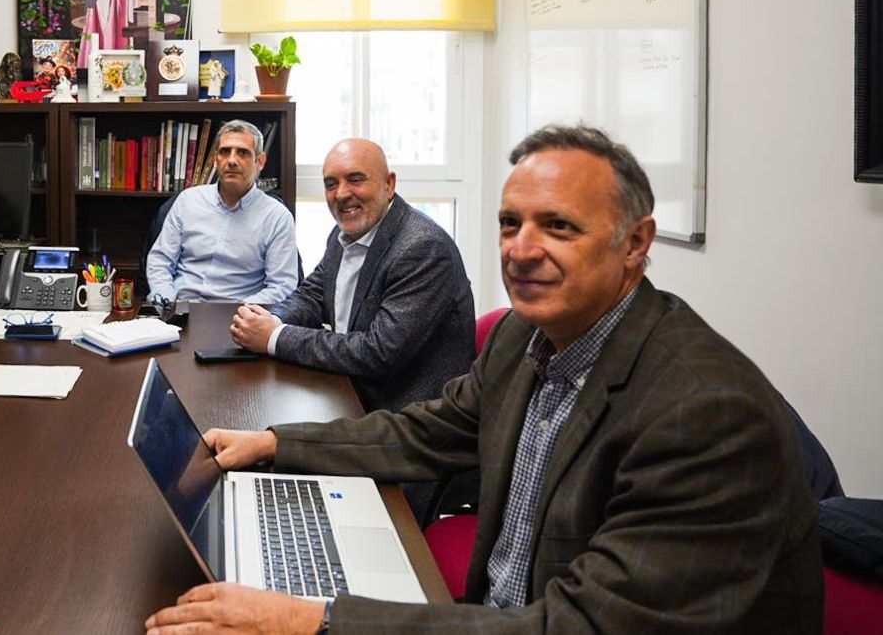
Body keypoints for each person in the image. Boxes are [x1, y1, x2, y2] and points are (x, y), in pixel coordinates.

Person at [146, 125, 823, 635]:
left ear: (636, 244)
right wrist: (272, 443)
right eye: (510, 224)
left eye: (558, 226)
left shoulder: (706, 415)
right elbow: (426, 429)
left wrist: (315, 620)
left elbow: (579, 626)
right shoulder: (524, 336)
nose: (522, 250)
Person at [229, 138, 473, 414]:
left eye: (355, 179)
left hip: (406, 417)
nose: (341, 194)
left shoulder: (423, 247)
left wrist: (276, 337)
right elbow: (313, 294)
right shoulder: (344, 233)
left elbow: (379, 353)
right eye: (331, 184)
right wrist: (271, 320)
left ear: (389, 184)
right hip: (350, 390)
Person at [145, 119, 297, 305]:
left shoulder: (277, 217)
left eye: (243, 153)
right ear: (216, 159)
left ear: (260, 161)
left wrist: (240, 312)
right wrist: (165, 299)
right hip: (179, 309)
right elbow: (160, 260)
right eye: (225, 152)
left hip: (237, 316)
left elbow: (281, 286)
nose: (232, 160)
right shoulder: (187, 201)